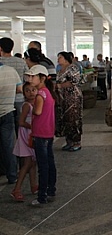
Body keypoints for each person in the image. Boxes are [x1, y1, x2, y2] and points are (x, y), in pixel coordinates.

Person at [25, 64, 57, 205]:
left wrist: (29, 110)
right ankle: (51, 190)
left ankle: (42, 196)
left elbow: (37, 112)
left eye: (33, 76)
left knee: (43, 166)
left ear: (42, 78)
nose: (30, 79)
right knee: (49, 163)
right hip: (48, 132)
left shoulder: (40, 94)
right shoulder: (47, 92)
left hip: (40, 133)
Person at [10, 82, 38, 202]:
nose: (31, 93)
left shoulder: (35, 103)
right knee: (27, 164)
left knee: (32, 162)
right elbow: (21, 122)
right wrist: (32, 127)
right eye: (28, 90)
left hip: (31, 135)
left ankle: (33, 185)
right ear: (23, 92)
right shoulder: (27, 105)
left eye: (33, 90)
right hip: (26, 136)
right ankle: (16, 189)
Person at [0, 37, 28, 138]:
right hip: (19, 98)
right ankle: (21, 148)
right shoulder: (21, 62)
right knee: (20, 126)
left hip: (4, 102)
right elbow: (27, 79)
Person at [55, 52, 83, 152]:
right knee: (65, 119)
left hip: (72, 97)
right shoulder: (59, 70)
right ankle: (69, 141)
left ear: (66, 59)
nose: (58, 59)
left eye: (60, 57)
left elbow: (75, 80)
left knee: (73, 119)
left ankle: (76, 142)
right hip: (63, 98)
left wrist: (60, 86)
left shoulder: (72, 68)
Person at [0, 62, 21, 185]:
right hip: (7, 112)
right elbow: (19, 89)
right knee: (8, 146)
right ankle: (12, 176)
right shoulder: (11, 71)